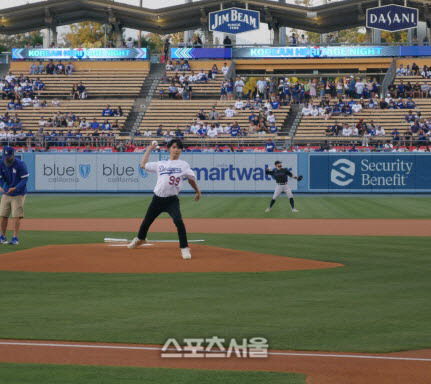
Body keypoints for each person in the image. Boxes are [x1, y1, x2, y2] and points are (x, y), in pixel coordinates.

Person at [128, 139, 201, 260]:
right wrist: (149, 149)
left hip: (172, 200)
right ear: (169, 149)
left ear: (181, 150)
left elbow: (191, 179)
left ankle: (184, 248)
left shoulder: (183, 165)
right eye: (173, 147)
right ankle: (140, 239)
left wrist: (198, 191)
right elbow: (143, 165)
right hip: (157, 199)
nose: (176, 149)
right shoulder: (161, 164)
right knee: (147, 221)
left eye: (178, 148)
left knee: (178, 221)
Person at [0, 146, 29, 245]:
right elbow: (0, 177)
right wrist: (0, 186)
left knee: (16, 216)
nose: (6, 158)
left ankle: (15, 238)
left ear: (13, 154)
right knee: (3, 215)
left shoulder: (20, 164)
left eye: (8, 156)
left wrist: (15, 188)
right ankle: (2, 237)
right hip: (7, 192)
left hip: (18, 193)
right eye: (5, 156)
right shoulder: (1, 162)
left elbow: (24, 179)